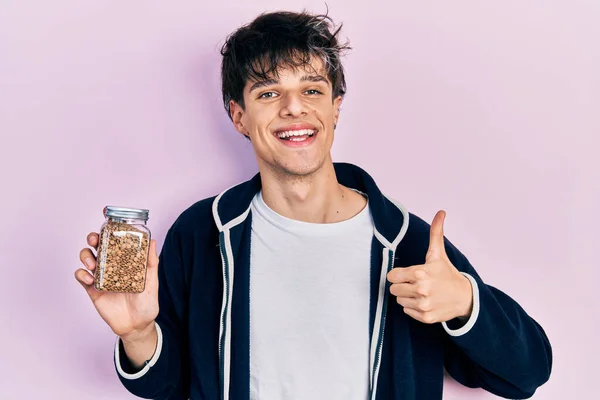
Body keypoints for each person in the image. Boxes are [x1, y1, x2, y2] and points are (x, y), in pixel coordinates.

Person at [74, 10, 552, 400]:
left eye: (311, 90)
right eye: (268, 93)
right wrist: (136, 333)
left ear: (335, 106)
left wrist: (466, 303)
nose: (294, 108)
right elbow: (168, 383)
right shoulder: (203, 232)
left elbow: (525, 373)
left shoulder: (406, 241)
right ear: (239, 116)